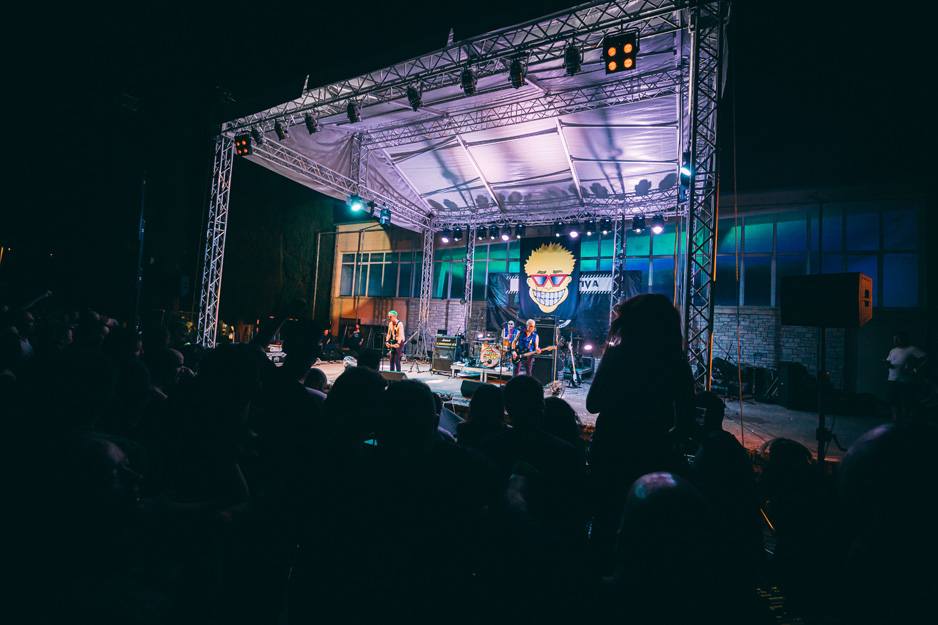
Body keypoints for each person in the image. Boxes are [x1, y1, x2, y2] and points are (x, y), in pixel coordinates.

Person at [885, 331, 927, 421]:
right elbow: (890, 362)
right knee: (894, 402)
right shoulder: (893, 350)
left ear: (904, 339)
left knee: (906, 403)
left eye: (898, 338)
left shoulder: (912, 349)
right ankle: (895, 421)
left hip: (905, 381)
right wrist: (888, 365)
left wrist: (915, 370)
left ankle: (906, 422)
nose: (895, 341)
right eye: (894, 339)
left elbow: (927, 359)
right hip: (892, 379)